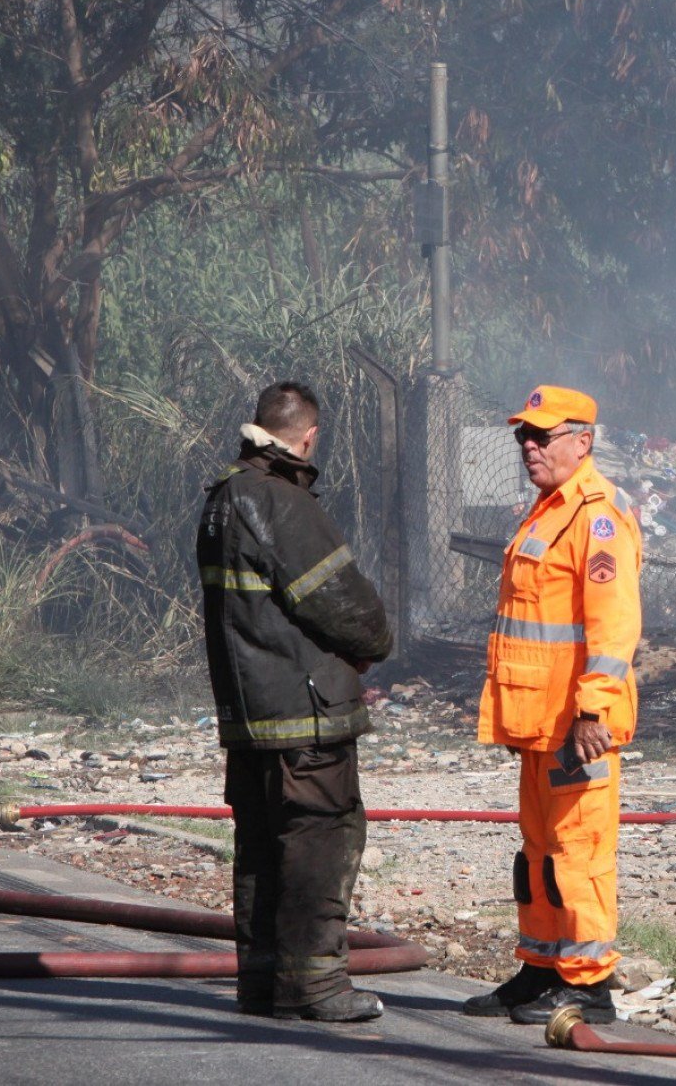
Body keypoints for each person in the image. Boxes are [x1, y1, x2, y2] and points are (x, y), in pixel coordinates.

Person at [196, 381, 392, 1022]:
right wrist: (376, 642)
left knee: (260, 845)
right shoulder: (281, 502)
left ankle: (262, 982)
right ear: (308, 436)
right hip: (303, 715)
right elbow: (349, 609)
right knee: (319, 838)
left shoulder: (222, 500)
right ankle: (314, 987)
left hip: (249, 716)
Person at [464, 385, 641, 1024]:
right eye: (523, 437)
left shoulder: (598, 516)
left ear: (582, 441)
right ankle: (540, 968)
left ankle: (589, 985)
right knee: (537, 850)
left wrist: (594, 710)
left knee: (579, 851)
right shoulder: (547, 510)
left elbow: (614, 626)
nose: (528, 447)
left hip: (577, 726)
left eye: (541, 436)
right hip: (540, 724)